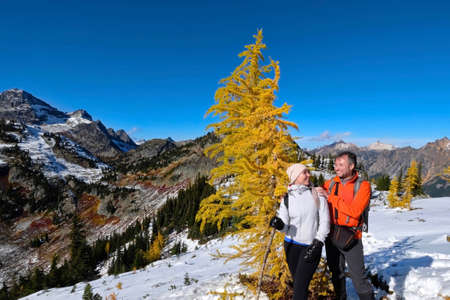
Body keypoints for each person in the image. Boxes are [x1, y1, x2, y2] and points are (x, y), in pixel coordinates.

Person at [316, 151, 374, 300]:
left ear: (351, 165)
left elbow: (354, 212)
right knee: (336, 273)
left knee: (358, 278)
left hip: (351, 237)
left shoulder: (363, 186)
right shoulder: (330, 183)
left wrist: (330, 197)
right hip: (332, 235)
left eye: (341, 164)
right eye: (335, 164)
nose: (336, 168)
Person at [270, 163, 330, 300]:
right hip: (291, 246)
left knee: (299, 289)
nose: (309, 175)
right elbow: (285, 226)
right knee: (298, 285)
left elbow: (325, 222)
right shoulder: (287, 198)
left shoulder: (317, 194)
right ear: (295, 176)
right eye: (305, 172)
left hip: (311, 246)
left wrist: (318, 242)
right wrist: (279, 225)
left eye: (308, 172)